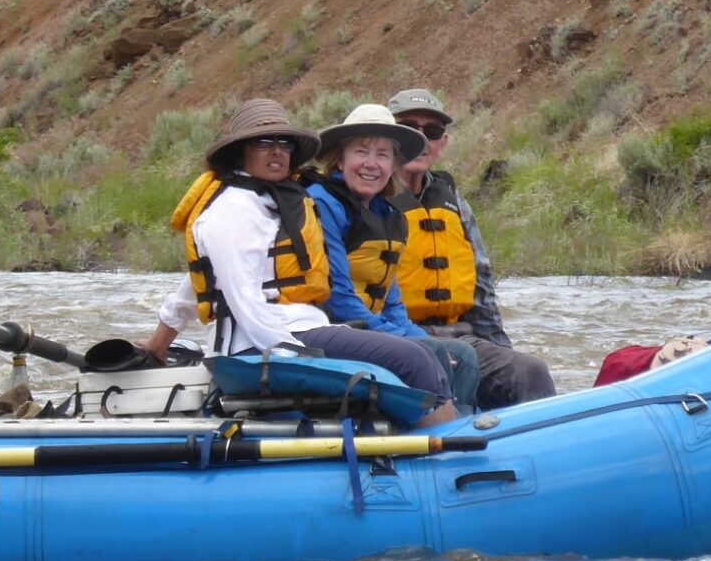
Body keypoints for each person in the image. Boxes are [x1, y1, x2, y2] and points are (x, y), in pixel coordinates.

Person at [139, 98, 460, 428]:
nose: (277, 151)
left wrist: (158, 342)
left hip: (295, 333)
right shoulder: (231, 210)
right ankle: (452, 450)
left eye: (284, 143)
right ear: (240, 151)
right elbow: (243, 301)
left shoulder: (269, 202)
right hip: (255, 350)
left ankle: (431, 439)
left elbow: (197, 283)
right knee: (414, 359)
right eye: (265, 142)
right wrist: (295, 355)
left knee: (419, 354)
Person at [387, 87, 557, 409]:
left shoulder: (453, 201)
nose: (422, 139)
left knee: (529, 371)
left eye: (432, 131)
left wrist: (502, 348)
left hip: (460, 336)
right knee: (454, 373)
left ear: (443, 143)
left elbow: (481, 284)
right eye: (409, 128)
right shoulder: (369, 196)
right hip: (398, 337)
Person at [303, 103, 480, 409]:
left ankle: (461, 427)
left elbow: (392, 302)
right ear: (340, 159)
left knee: (461, 354)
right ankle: (445, 432)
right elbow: (340, 300)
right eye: (361, 151)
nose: (371, 164)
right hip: (331, 330)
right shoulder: (322, 203)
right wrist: (406, 341)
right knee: (430, 353)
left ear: (393, 165)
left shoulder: (387, 213)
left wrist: (413, 336)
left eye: (383, 155)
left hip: (368, 330)